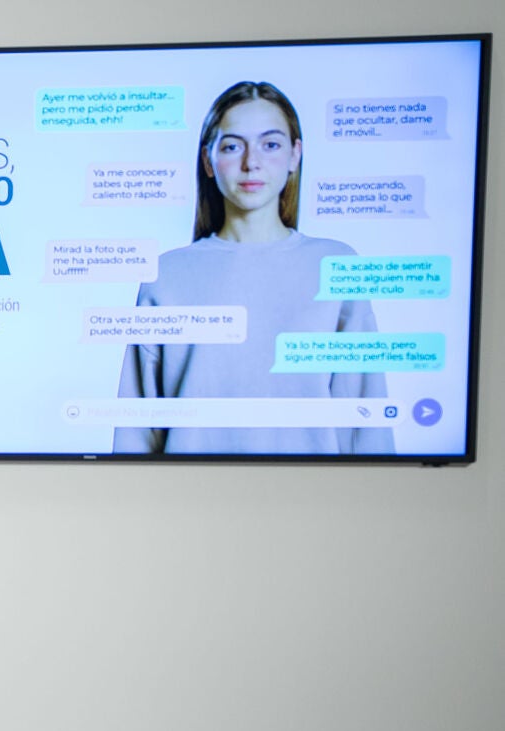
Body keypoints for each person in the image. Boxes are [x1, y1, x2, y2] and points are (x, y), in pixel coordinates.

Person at [115, 81, 392, 454]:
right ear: (208, 160)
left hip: (317, 489)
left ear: (295, 155)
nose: (251, 163)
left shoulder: (336, 265)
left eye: (270, 144)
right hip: (187, 489)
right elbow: (136, 432)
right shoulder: (166, 274)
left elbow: (367, 423)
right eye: (233, 146)